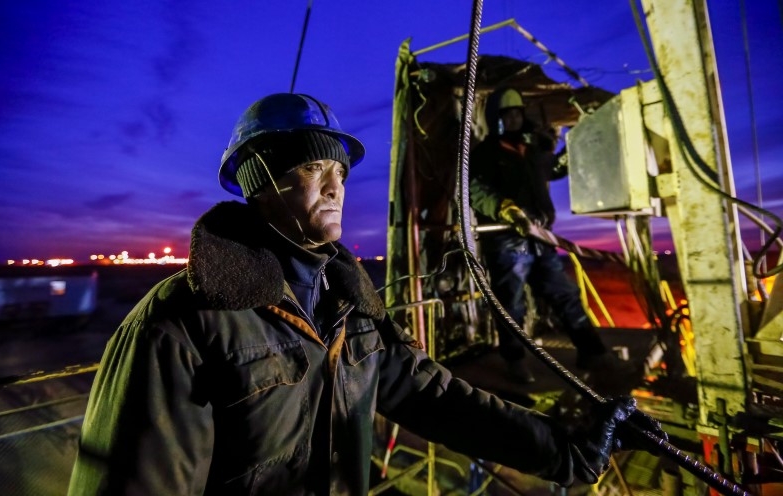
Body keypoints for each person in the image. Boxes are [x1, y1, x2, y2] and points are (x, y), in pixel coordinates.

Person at [67, 93, 665, 495]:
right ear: (261, 184)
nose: (335, 187)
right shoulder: (182, 323)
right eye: (311, 170)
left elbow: (434, 396)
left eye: (342, 173)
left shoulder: (347, 306)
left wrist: (567, 451)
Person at [470, 88, 625, 384]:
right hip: (507, 240)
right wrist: (504, 208)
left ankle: (593, 353)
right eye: (507, 115)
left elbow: (553, 169)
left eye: (516, 113)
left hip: (540, 238)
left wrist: (576, 142)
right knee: (512, 304)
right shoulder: (485, 154)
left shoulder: (533, 151)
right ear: (496, 120)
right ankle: (515, 361)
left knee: (565, 295)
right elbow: (476, 191)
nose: (513, 119)